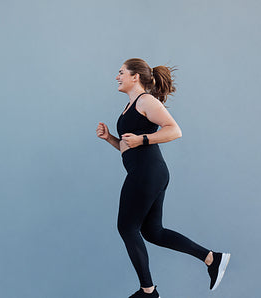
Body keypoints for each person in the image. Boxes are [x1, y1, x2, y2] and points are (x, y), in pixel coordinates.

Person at [96, 58, 230, 298]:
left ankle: (148, 291)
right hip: (149, 172)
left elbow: (174, 130)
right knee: (153, 232)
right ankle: (212, 258)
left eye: (121, 73)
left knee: (127, 228)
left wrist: (143, 139)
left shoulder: (145, 101)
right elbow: (130, 146)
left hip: (147, 172)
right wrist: (110, 139)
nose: (117, 77)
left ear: (135, 76)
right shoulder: (130, 107)